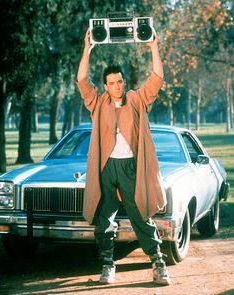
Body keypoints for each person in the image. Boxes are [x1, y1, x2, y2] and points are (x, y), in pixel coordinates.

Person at [77, 28, 171, 286]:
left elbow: (156, 79)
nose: (117, 86)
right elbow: (82, 81)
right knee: (104, 218)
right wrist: (87, 49)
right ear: (105, 86)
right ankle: (107, 265)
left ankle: (158, 263)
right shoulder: (98, 103)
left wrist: (153, 47)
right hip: (106, 168)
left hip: (131, 167)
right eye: (112, 83)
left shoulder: (135, 100)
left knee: (140, 214)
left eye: (120, 81)